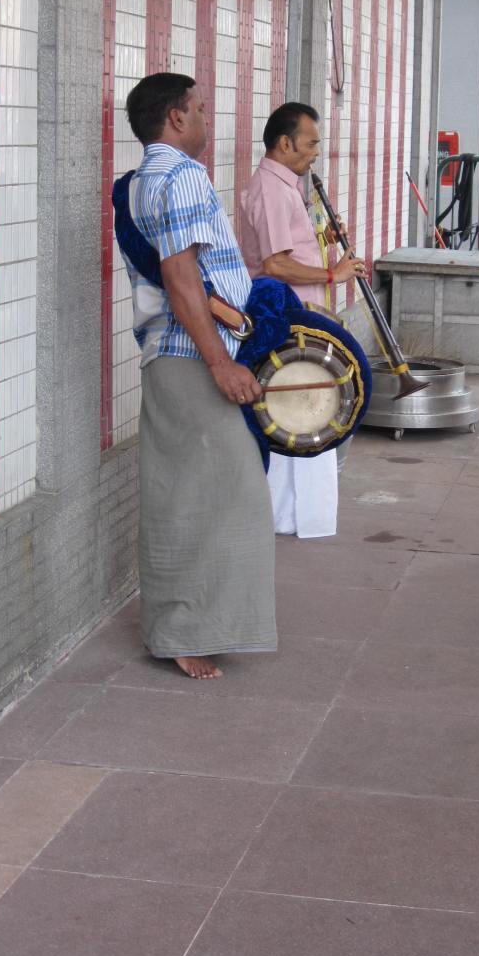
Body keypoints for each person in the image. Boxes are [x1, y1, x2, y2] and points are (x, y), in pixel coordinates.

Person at [118, 72, 276, 680]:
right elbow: (181, 279)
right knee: (224, 493)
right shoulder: (180, 175)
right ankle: (182, 631)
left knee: (188, 492)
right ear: (176, 118)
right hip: (190, 355)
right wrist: (220, 363)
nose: (207, 120)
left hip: (176, 352)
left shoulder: (139, 181)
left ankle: (185, 626)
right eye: (201, 109)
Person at [236, 102, 365, 538]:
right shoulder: (272, 189)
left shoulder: (285, 185)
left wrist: (323, 239)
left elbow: (290, 249)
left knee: (307, 413)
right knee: (304, 414)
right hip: (287, 316)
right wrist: (333, 273)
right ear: (285, 143)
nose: (316, 152)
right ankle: (293, 517)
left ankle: (297, 517)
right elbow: (274, 264)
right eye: (311, 143)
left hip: (301, 312)